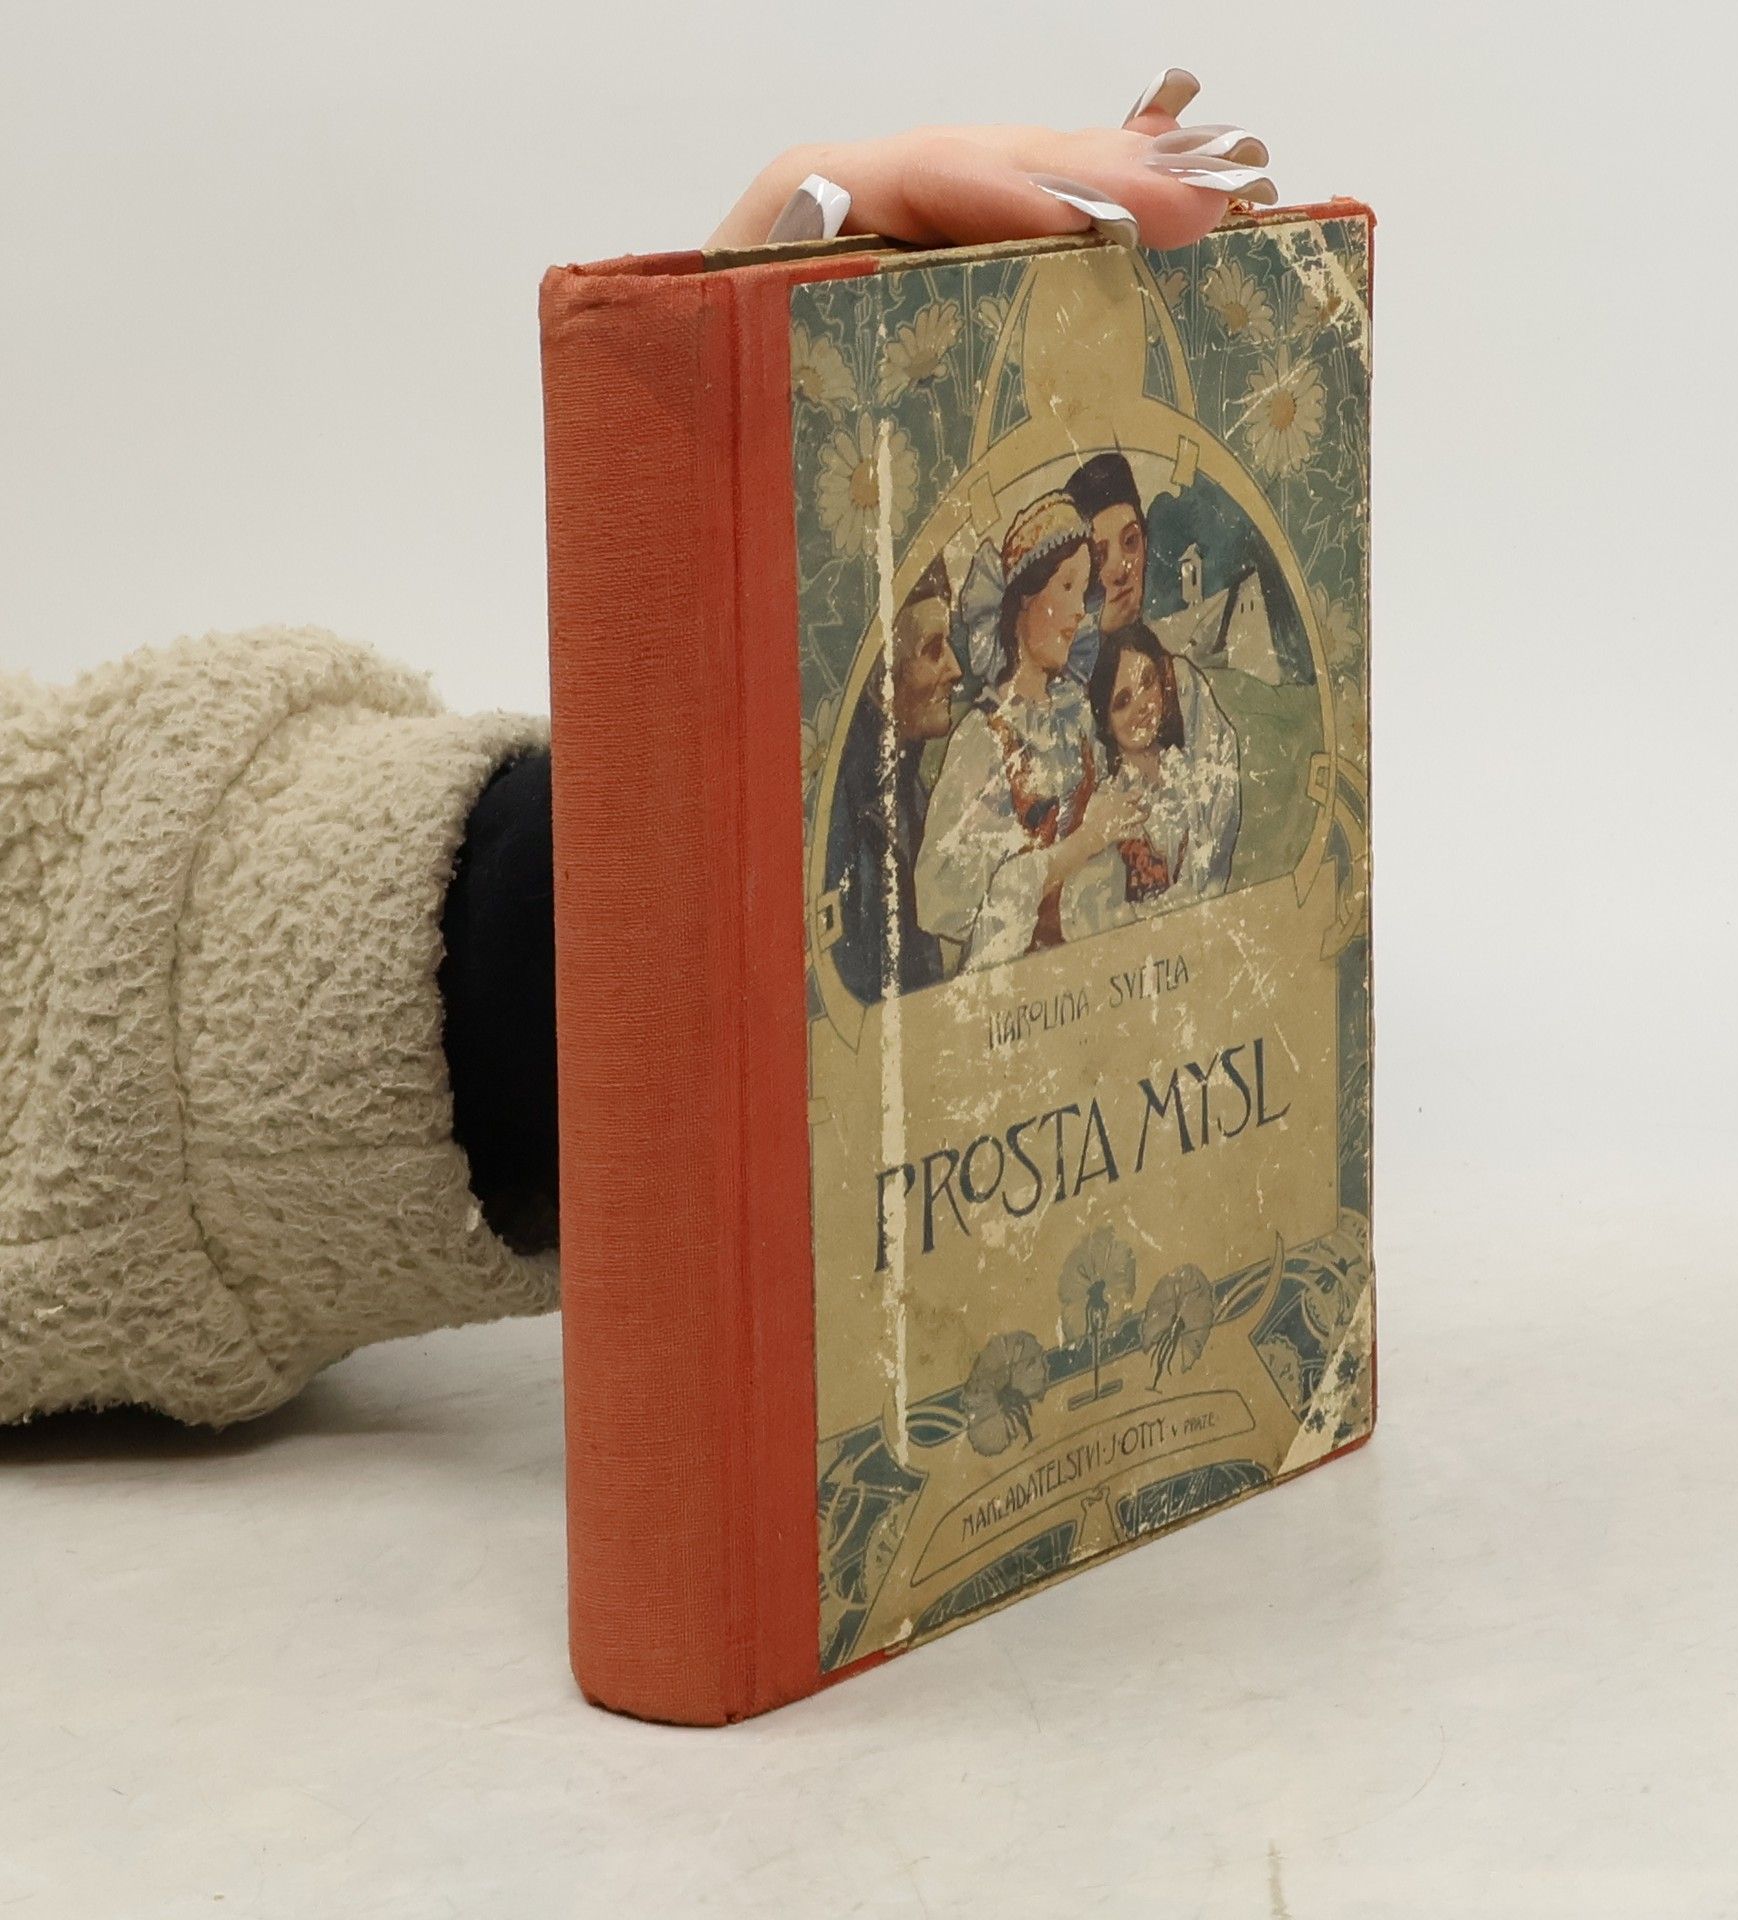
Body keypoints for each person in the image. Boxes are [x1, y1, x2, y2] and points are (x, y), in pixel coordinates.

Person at [0, 81, 1279, 1426]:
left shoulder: (1106, 709)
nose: (1088, 603)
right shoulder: (967, 749)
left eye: (1102, 576)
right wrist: (592, 944)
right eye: (1066, 583)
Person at [914, 494, 1149, 970]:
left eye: (1082, 591)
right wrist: (1077, 847)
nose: (1078, 611)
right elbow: (937, 896)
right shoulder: (983, 738)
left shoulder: (1076, 718)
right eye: (1066, 586)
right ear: (1024, 599)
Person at [823, 554, 964, 1003]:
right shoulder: (847, 812)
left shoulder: (906, 789)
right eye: (933, 649)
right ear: (879, 680)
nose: (956, 669)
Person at [1061, 619, 1241, 937]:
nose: (1142, 705)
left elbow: (1214, 865)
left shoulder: (1193, 777)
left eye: (1147, 682)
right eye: (1123, 701)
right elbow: (1091, 924)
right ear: (1106, 723)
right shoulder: (1106, 807)